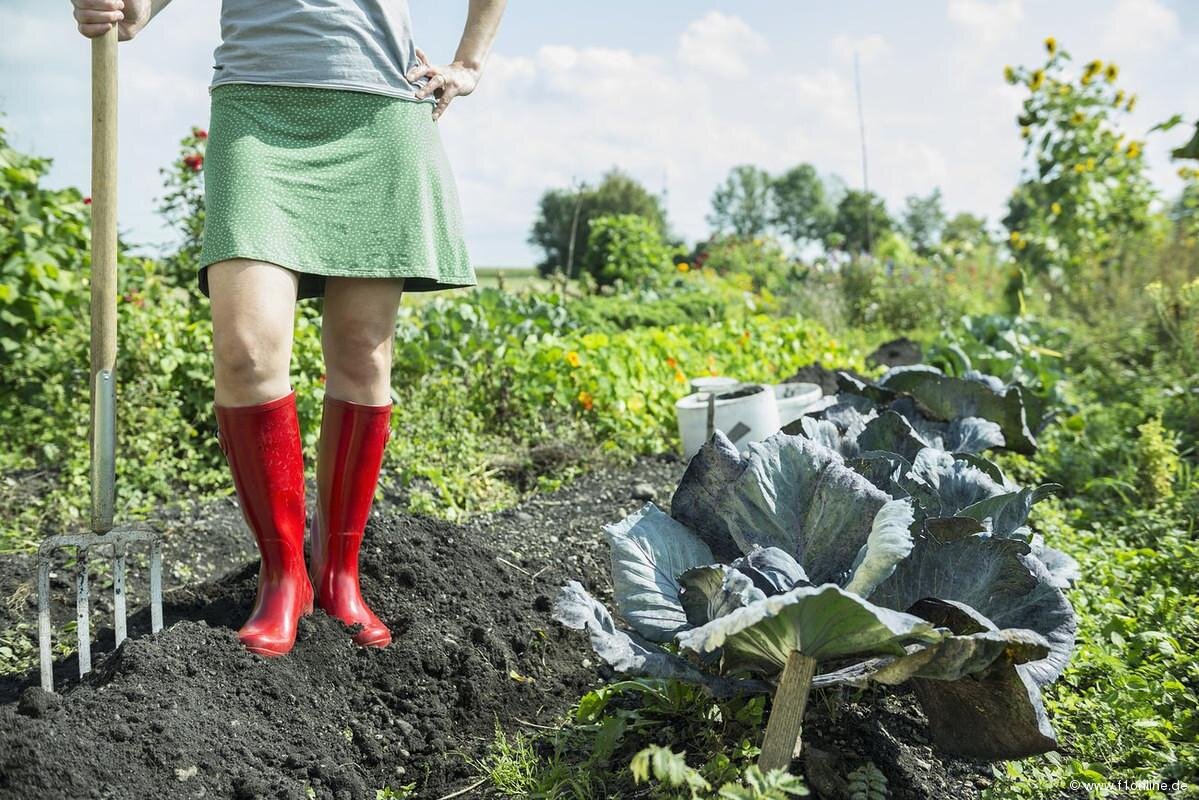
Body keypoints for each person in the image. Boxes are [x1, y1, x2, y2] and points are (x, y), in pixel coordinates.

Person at [72, 0, 508, 657]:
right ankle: (284, 577)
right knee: (246, 350)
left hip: (379, 110)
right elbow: (133, 12)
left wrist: (470, 62)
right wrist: (126, 8)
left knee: (362, 353)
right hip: (257, 110)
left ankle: (339, 578)